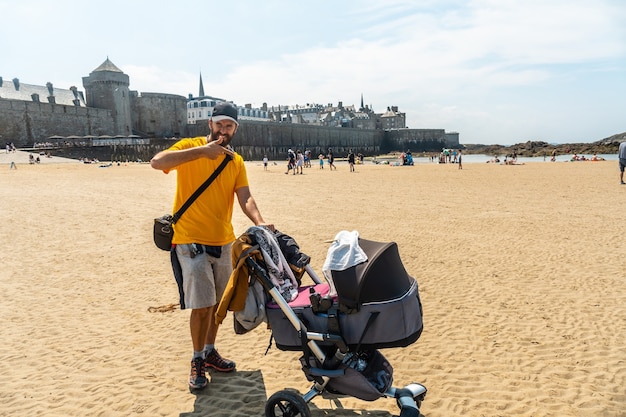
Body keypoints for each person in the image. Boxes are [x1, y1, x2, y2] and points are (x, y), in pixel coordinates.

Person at [150, 102, 274, 391]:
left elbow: (245, 196)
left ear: (235, 129)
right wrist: (204, 152)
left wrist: (260, 221)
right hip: (190, 240)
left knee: (218, 306)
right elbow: (158, 162)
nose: (223, 130)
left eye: (229, 126)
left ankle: (209, 351)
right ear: (210, 124)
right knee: (202, 306)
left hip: (223, 240)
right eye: (219, 124)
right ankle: (196, 359)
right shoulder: (190, 147)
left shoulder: (235, 161)